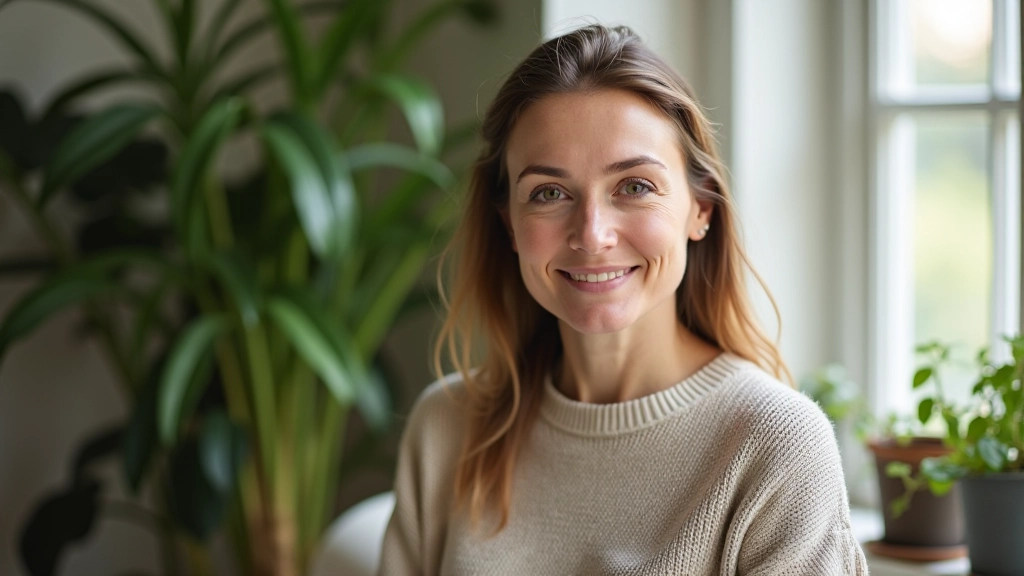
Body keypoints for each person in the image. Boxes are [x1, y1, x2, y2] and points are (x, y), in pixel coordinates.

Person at [379, 24, 868, 575]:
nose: (592, 234)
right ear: (509, 226)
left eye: (634, 186)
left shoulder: (776, 447)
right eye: (548, 193)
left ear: (700, 209)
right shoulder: (446, 426)